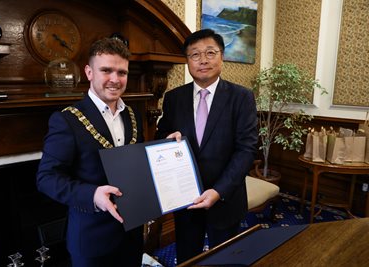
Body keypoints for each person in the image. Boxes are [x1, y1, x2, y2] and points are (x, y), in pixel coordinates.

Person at [37, 37, 144, 267]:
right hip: (92, 238)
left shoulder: (132, 115)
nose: (115, 80)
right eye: (106, 70)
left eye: (122, 72)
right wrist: (92, 195)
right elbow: (46, 178)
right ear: (89, 72)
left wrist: (168, 147)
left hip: (132, 233)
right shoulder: (66, 120)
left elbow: (138, 165)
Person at [155, 28, 258, 263]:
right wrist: (168, 139)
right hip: (185, 199)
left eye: (210, 52)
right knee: (187, 256)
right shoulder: (174, 98)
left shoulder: (241, 97)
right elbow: (162, 135)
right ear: (187, 61)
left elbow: (246, 149)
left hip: (225, 199)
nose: (203, 60)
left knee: (225, 258)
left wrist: (219, 191)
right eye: (195, 55)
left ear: (222, 56)